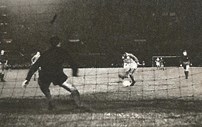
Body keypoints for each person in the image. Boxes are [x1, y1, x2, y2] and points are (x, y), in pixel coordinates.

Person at [22, 36, 81, 110]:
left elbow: (35, 66)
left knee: (44, 87)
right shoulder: (63, 52)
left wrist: (27, 80)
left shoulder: (45, 53)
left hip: (45, 75)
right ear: (59, 43)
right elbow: (72, 62)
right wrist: (74, 72)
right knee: (72, 88)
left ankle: (50, 100)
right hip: (58, 75)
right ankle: (79, 105)